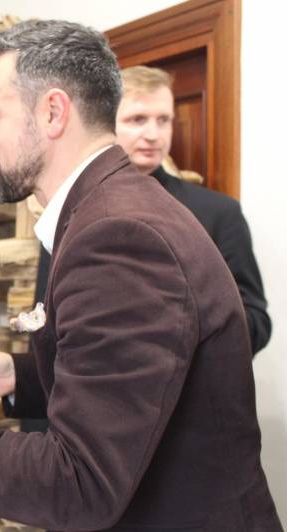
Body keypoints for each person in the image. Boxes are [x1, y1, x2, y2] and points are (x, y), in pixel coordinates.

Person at [0, 20, 282, 531]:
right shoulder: (110, 210)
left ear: (52, 112)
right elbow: (135, 379)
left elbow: (80, 482)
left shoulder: (118, 235)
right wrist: (20, 375)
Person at [114, 65, 271, 354]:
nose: (153, 134)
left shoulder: (218, 213)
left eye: (163, 120)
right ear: (107, 124)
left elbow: (256, 323)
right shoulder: (77, 205)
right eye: (137, 119)